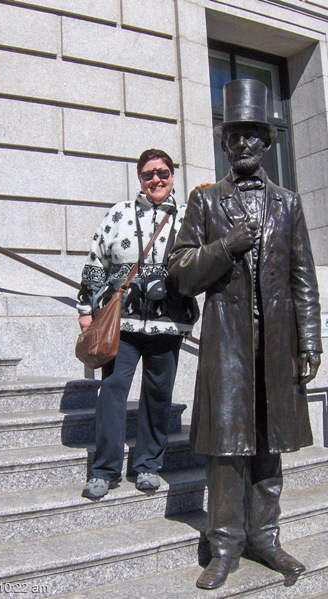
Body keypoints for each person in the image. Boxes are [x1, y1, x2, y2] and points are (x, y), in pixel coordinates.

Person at [168, 79, 322, 590]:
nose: (245, 145)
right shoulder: (207, 203)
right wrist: (226, 246)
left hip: (276, 347)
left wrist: (310, 341)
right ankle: (225, 544)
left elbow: (303, 278)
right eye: (235, 137)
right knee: (228, 449)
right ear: (225, 144)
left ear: (267, 141)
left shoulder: (288, 204)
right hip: (228, 344)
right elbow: (181, 273)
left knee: (269, 445)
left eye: (253, 135)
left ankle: (267, 538)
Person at [77, 148, 198, 500]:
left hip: (168, 324)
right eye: (148, 174)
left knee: (158, 396)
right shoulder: (119, 214)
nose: (156, 179)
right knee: (112, 392)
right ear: (139, 179)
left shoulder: (189, 217)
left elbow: (206, 258)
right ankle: (105, 470)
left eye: (163, 172)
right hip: (122, 324)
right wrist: (85, 306)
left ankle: (147, 465)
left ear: (173, 175)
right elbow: (95, 259)